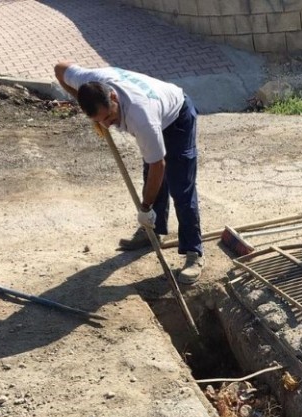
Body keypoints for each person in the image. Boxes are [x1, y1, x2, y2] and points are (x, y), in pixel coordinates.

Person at [54, 61, 204, 285]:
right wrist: (86, 106)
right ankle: (153, 232)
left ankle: (193, 253)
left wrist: (145, 207)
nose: (106, 124)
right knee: (151, 178)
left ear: (113, 97)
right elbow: (60, 69)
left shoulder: (140, 116)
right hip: (155, 114)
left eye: (108, 117)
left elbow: (158, 166)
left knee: (180, 186)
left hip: (177, 117)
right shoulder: (88, 82)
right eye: (99, 120)